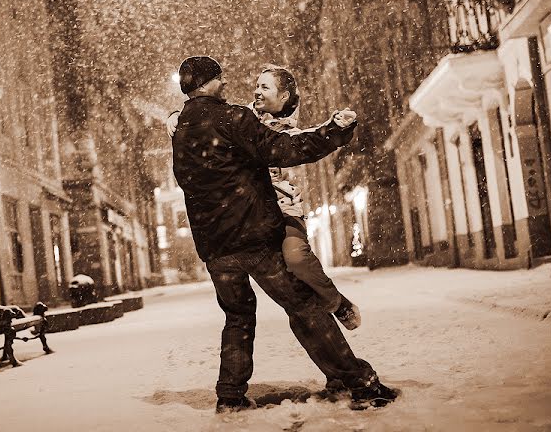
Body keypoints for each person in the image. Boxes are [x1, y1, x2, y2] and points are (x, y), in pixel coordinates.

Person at [170, 56, 397, 413]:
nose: (227, 84)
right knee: (304, 307)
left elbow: (188, 181)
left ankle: (230, 396)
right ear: (210, 82)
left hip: (214, 246)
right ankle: (361, 383)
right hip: (253, 238)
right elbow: (285, 148)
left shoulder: (182, 130)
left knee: (238, 316)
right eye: (220, 78)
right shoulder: (233, 118)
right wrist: (333, 134)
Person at [167, 64, 362, 330]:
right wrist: (176, 114)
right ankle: (333, 350)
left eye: (265, 87)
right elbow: (210, 117)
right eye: (257, 86)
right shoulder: (242, 119)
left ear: (284, 96)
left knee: (296, 259)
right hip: (254, 216)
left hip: (283, 210)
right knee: (289, 298)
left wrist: (336, 126)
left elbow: (306, 140)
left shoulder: (287, 133)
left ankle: (336, 303)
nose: (257, 91)